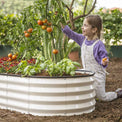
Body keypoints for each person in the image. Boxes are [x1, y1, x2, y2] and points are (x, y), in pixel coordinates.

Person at [61, 14, 122, 101]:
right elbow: (71, 34)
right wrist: (62, 22)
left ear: (94, 29)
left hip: (97, 76)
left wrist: (104, 61)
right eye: (83, 25)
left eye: (85, 25)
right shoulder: (82, 39)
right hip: (87, 72)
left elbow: (104, 57)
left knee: (102, 97)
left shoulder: (98, 44)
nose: (82, 27)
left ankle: (117, 93)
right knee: (73, 74)